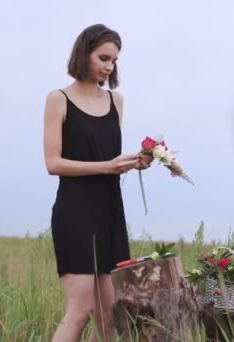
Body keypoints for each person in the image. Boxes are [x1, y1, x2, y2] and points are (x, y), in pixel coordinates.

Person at [42, 24, 151, 342]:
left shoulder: (116, 102)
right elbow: (53, 163)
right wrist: (107, 166)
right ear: (84, 53)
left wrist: (136, 162)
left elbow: (110, 161)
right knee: (79, 310)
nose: (109, 66)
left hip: (110, 213)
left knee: (112, 315)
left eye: (114, 60)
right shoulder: (58, 99)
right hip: (75, 211)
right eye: (103, 57)